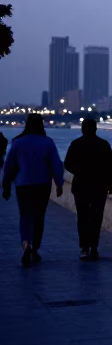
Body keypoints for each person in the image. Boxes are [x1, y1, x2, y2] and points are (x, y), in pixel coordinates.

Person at [1, 113, 64, 266]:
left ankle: (25, 244)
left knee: (25, 215)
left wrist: (6, 185)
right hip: (42, 185)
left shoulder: (18, 143)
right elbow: (56, 165)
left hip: (23, 185)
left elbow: (9, 166)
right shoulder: (48, 143)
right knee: (39, 216)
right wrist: (59, 183)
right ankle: (35, 248)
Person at [63, 117, 112, 260]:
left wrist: (79, 171)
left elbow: (67, 163)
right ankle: (94, 247)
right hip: (100, 186)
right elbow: (111, 167)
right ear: (95, 128)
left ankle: (84, 248)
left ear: (82, 129)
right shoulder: (104, 145)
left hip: (81, 185)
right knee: (96, 217)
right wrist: (111, 184)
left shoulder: (76, 144)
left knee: (83, 217)